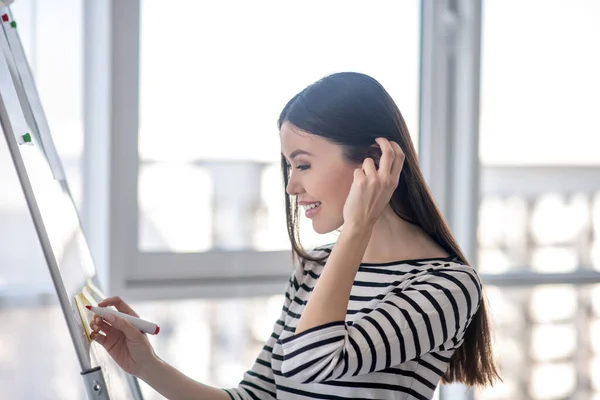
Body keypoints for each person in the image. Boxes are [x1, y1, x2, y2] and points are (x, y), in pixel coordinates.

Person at [89, 72, 500, 399]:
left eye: (303, 165)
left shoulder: (446, 285)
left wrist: (358, 227)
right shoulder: (315, 267)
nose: (291, 187)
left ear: (372, 162)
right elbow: (257, 396)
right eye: (289, 167)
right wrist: (147, 366)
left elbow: (312, 361)